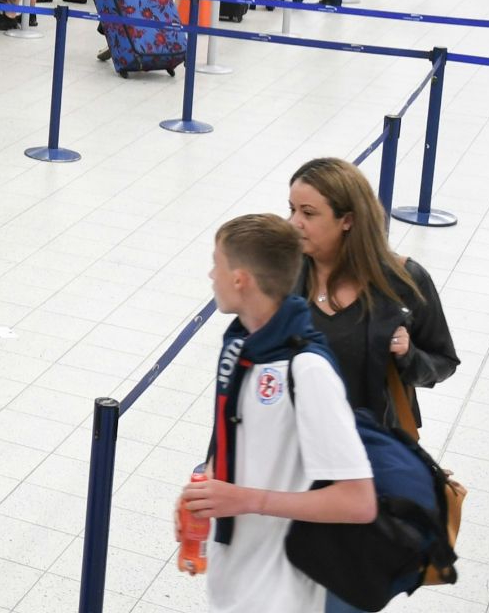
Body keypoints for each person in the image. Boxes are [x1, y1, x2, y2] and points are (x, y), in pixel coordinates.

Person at [179, 214, 377, 613]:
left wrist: (245, 499)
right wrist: (205, 489)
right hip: (235, 579)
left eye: (217, 263)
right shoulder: (242, 347)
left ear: (240, 279)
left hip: (281, 593)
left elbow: (359, 502)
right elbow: (240, 441)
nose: (211, 275)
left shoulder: (308, 370)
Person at [287, 158, 459, 432]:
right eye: (292, 209)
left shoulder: (404, 280)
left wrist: (408, 355)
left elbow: (444, 362)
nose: (294, 222)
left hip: (372, 444)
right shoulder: (286, 274)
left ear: (348, 220)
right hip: (298, 439)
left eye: (308, 213)